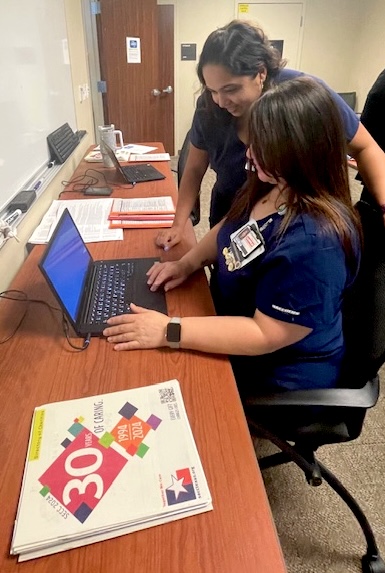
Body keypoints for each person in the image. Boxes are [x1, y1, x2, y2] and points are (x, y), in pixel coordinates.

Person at [103, 77, 361, 397]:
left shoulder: (315, 244)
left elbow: (265, 334)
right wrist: (185, 264)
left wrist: (169, 330)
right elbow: (231, 225)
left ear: (303, 152)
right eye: (255, 142)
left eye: (267, 147)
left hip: (279, 372)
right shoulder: (273, 184)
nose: (251, 154)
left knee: (153, 380)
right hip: (232, 320)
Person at [156, 19, 385, 251]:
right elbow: (194, 167)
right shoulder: (210, 106)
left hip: (288, 217)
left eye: (231, 89)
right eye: (212, 90)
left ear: (261, 73)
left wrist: (383, 206)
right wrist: (178, 224)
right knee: (226, 269)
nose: (221, 102)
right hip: (231, 208)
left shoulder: (302, 96)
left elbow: (366, 147)